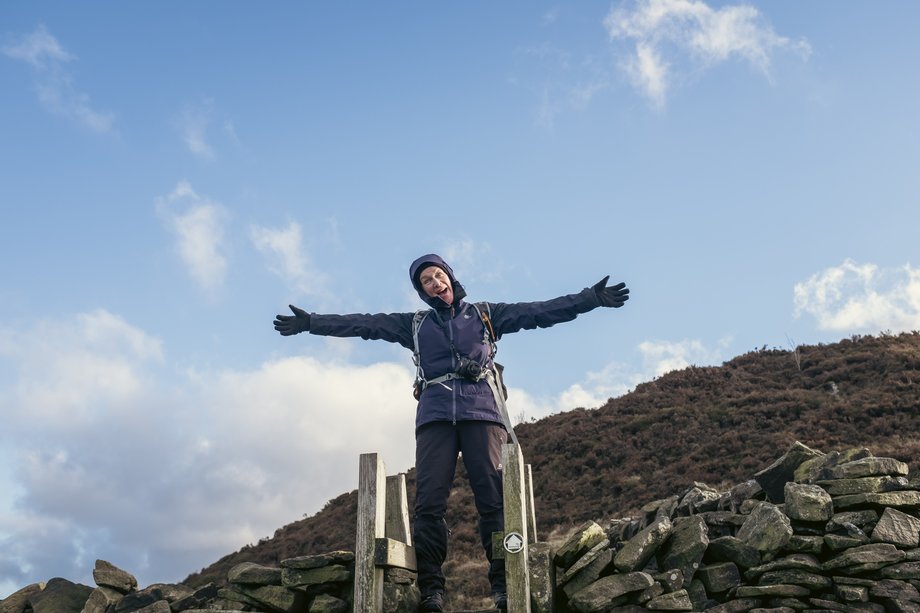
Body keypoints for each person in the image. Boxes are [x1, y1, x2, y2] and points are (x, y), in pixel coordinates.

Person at [273, 254, 629, 612]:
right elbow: (363, 324)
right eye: (425, 281)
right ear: (421, 290)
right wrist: (311, 323)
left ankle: (503, 583)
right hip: (435, 418)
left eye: (437, 275)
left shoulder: (486, 315)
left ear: (450, 277)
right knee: (429, 505)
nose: (434, 283)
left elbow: (541, 311)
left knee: (492, 501)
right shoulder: (412, 324)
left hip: (483, 414)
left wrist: (591, 298)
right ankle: (432, 591)